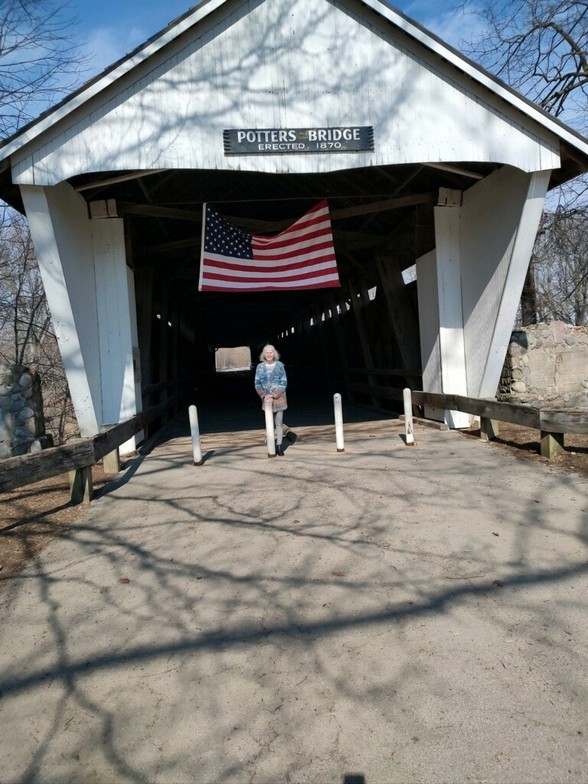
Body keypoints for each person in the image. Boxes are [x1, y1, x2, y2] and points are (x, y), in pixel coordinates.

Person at [254, 344, 288, 456]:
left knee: (278, 423)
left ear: (274, 354)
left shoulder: (280, 366)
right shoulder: (260, 367)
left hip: (279, 398)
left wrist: (274, 394)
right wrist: (264, 395)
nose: (269, 354)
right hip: (266, 400)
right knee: (269, 423)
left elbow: (284, 382)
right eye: (267, 352)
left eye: (271, 352)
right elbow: (257, 383)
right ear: (264, 354)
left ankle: (279, 445)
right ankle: (271, 444)